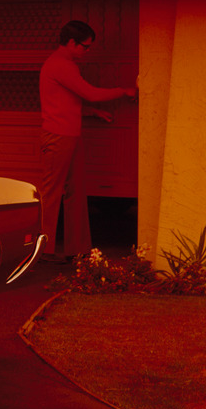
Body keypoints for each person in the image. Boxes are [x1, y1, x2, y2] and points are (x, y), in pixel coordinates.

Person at [38, 19, 135, 262]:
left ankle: (77, 248)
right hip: (58, 136)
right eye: (85, 46)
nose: (87, 51)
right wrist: (123, 90)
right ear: (71, 42)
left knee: (76, 191)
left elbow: (64, 102)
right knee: (52, 194)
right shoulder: (61, 65)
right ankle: (42, 250)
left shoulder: (64, 65)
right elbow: (90, 93)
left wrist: (92, 112)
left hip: (69, 135)